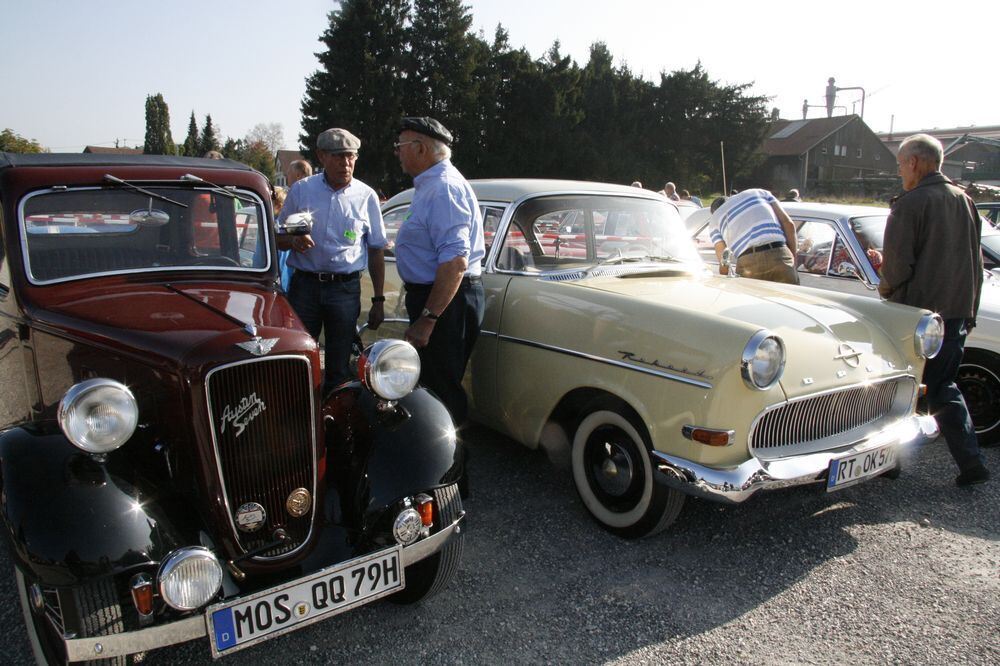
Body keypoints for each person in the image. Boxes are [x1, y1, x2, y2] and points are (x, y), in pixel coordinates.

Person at [879, 133, 988, 486]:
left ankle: (890, 462)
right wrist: (969, 311)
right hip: (957, 312)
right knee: (942, 387)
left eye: (900, 164)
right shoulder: (964, 200)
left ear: (914, 163)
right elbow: (975, 260)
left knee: (900, 391)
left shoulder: (910, 203)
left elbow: (896, 269)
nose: (899, 172)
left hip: (916, 318)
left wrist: (884, 291)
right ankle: (969, 463)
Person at [393, 116, 485, 427]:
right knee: (433, 385)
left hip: (446, 300)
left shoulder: (444, 188)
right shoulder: (431, 185)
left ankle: (448, 466)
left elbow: (455, 261)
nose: (397, 153)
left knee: (442, 389)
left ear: (420, 148)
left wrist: (428, 318)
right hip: (440, 297)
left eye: (401, 146)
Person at [277, 128, 386, 388]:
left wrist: (379, 299)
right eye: (338, 156)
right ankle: (298, 415)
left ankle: (335, 420)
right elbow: (277, 239)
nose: (345, 163)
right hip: (306, 286)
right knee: (297, 357)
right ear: (321, 156)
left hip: (344, 289)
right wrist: (293, 240)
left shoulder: (366, 196)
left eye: (351, 156)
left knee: (339, 365)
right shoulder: (302, 191)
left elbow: (376, 249)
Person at [708, 189, 800, 284]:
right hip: (780, 255)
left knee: (752, 297)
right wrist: (793, 262)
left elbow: (724, 262)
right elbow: (789, 224)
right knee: (789, 297)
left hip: (748, 264)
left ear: (714, 212)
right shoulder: (760, 192)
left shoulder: (714, 219)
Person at [278, 161, 314, 292]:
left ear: (298, 175)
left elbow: (286, 227)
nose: (286, 176)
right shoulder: (294, 194)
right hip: (292, 254)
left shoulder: (306, 196)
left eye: (288, 173)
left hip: (300, 263)